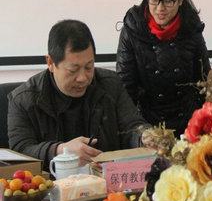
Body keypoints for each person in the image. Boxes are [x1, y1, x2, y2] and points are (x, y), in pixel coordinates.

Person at [8, 20, 151, 168]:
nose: (83, 78)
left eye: (89, 67)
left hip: (104, 178)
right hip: (54, 180)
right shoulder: (23, 100)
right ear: (50, 63)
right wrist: (61, 151)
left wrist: (145, 137)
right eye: (73, 70)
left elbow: (132, 126)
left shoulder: (110, 85)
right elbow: (20, 151)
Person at [116, 0, 211, 135]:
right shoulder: (133, 29)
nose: (160, 8)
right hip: (147, 128)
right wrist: (140, 133)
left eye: (168, 1)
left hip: (188, 127)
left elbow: (204, 86)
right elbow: (125, 91)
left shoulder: (192, 29)